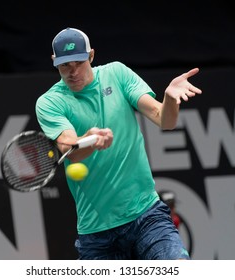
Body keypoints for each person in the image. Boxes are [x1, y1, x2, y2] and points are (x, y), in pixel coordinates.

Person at [35, 27, 202, 260]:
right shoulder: (50, 102)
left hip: (147, 215)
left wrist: (171, 100)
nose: (73, 72)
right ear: (54, 62)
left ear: (91, 56)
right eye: (65, 66)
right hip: (96, 233)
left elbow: (164, 120)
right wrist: (91, 140)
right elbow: (69, 150)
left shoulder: (118, 74)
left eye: (78, 63)